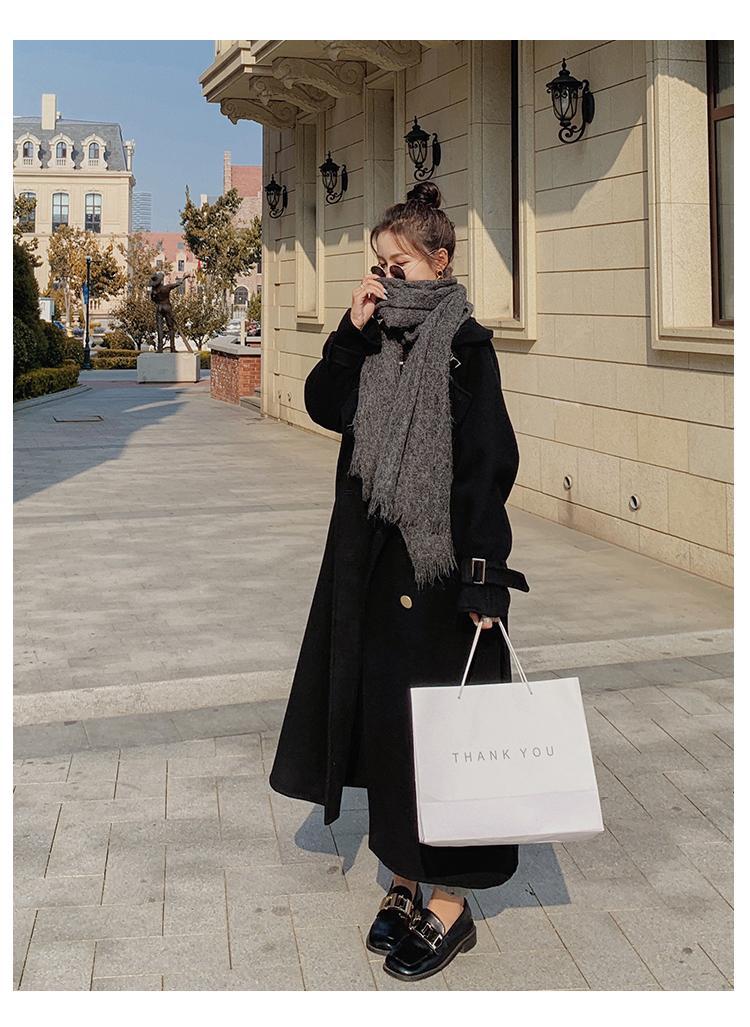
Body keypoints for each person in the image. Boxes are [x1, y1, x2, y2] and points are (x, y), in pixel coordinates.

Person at [269, 181, 530, 983]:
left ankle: (449, 901)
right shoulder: (374, 338)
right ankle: (404, 879)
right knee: (387, 731)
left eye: (399, 264)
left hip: (440, 576)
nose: (385, 278)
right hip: (374, 571)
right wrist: (348, 330)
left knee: (443, 740)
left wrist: (484, 580)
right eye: (379, 265)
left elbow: (488, 468)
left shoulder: (466, 347)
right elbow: (324, 404)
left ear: (440, 261)